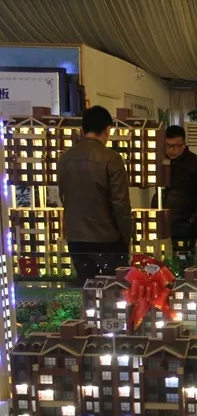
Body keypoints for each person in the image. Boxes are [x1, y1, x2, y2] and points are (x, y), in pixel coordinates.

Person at [58, 106, 132, 286]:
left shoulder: (65, 158)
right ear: (107, 130)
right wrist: (126, 238)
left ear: (82, 130)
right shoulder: (112, 159)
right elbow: (120, 204)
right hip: (107, 238)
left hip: (76, 238)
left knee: (86, 288)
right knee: (112, 290)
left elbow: (63, 196)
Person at [153, 125, 197, 252]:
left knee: (183, 259)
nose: (171, 150)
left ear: (184, 144)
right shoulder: (160, 160)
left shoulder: (196, 163)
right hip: (161, 221)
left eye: (176, 146)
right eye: (168, 145)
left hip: (184, 223)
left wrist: (192, 222)